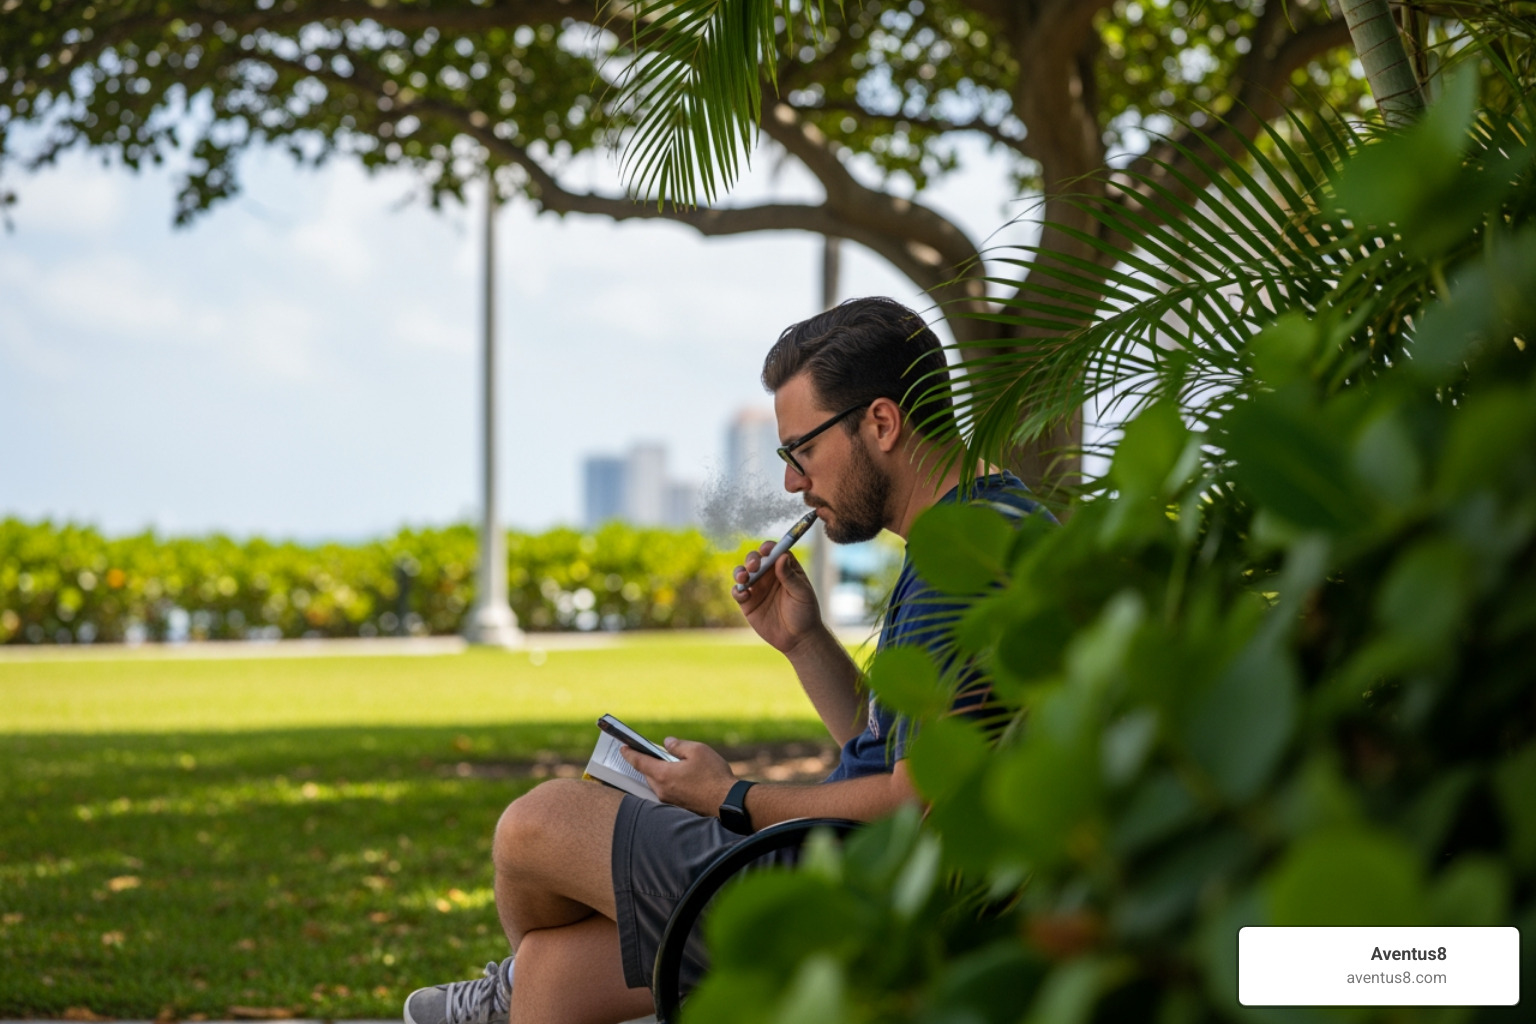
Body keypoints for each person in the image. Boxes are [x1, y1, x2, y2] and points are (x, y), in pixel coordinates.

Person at [402, 296, 1046, 1024]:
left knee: (537, 826)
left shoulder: (958, 563)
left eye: (801, 450)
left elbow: (918, 802)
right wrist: (802, 641)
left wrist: (731, 798)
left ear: (883, 422)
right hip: (864, 868)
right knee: (551, 977)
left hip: (859, 891)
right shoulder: (984, 524)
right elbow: (887, 753)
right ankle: (518, 989)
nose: (792, 484)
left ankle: (512, 992)